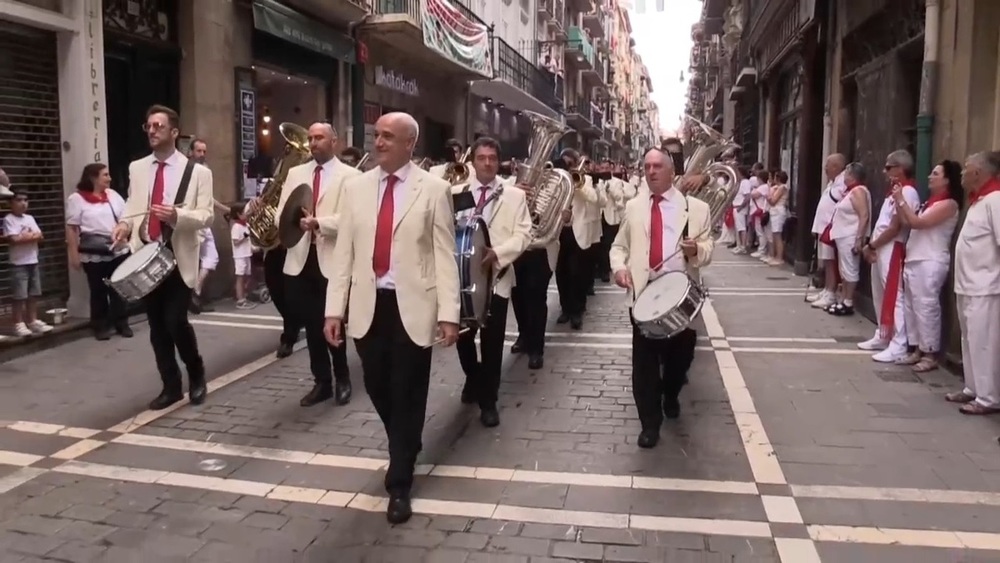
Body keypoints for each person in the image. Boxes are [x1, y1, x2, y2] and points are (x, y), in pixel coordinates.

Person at [323, 112, 460, 524]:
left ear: (408, 145)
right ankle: (407, 440)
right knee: (377, 384)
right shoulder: (356, 188)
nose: (378, 142)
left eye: (387, 136)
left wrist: (450, 314)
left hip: (413, 305)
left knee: (408, 389)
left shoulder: (434, 190)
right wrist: (334, 309)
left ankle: (399, 480)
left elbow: (443, 255)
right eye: (377, 135)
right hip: (368, 305)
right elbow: (344, 252)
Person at [112, 104, 214, 410]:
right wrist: (123, 224)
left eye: (158, 125)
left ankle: (196, 374)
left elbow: (207, 216)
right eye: (149, 126)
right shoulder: (137, 168)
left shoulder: (197, 172)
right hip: (146, 255)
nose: (152, 130)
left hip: (178, 255)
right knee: (157, 326)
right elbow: (133, 204)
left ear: (174, 132)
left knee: (175, 321)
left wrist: (177, 215)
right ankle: (170, 386)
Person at [610, 148, 713, 448]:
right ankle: (649, 424)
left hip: (680, 296)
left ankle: (671, 393)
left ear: (671, 172)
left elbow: (708, 248)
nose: (652, 171)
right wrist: (619, 269)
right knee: (643, 365)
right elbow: (619, 247)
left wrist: (696, 251)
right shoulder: (633, 207)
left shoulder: (696, 209)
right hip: (643, 296)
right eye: (647, 166)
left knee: (679, 359)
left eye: (658, 166)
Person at [274, 122, 361, 407]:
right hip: (300, 258)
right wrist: (291, 222)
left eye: (319, 137)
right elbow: (280, 213)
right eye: (310, 138)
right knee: (312, 325)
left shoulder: (351, 176)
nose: (312, 143)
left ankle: (343, 378)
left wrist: (319, 223)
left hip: (330, 259)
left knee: (331, 320)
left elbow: (353, 219)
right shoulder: (296, 173)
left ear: (333, 141)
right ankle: (321, 382)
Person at [453, 136, 531, 427]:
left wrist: (497, 253)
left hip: (496, 277)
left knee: (492, 343)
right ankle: (473, 378)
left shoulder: (513, 195)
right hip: (460, 278)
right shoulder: (457, 191)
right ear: (472, 161)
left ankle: (489, 401)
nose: (487, 163)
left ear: (499, 162)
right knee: (462, 339)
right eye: (481, 157)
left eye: (492, 158)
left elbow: (524, 234)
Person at [894, 160, 962, 372]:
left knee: (926, 305)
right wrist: (898, 202)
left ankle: (930, 351)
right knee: (911, 306)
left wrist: (902, 202)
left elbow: (918, 223)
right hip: (915, 257)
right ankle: (917, 349)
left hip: (930, 259)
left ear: (947, 180)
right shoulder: (931, 202)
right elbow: (907, 222)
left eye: (935, 174)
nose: (930, 177)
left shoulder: (948, 204)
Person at [947, 151, 1000, 415]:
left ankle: (989, 397)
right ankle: (973, 387)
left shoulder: (995, 200)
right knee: (969, 338)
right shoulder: (976, 202)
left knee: (984, 342)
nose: (962, 173)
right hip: (967, 283)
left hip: (986, 285)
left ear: (978, 173)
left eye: (966, 169)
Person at [857, 150, 921, 362]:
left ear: (900, 168)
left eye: (889, 167)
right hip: (882, 247)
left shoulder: (908, 192)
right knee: (881, 293)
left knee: (894, 295)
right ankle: (883, 334)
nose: (885, 172)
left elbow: (895, 226)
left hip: (892, 247)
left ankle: (899, 343)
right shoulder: (893, 192)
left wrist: (872, 244)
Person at [66, 163, 132, 340]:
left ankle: (121, 322)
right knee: (98, 290)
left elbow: (126, 217)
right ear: (93, 177)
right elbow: (72, 229)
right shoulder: (77, 199)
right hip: (93, 250)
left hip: (116, 248)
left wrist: (122, 230)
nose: (109, 178)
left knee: (119, 288)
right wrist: (73, 254)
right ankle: (100, 325)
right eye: (105, 175)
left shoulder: (112, 195)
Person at [555, 149, 599, 329]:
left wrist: (578, 185)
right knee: (561, 273)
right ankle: (565, 309)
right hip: (559, 231)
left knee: (577, 274)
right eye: (564, 163)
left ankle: (577, 311)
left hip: (578, 232)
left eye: (570, 164)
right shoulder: (556, 179)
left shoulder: (585, 179)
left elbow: (594, 198)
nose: (567, 167)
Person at [3, 190, 53, 337]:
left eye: (26, 200)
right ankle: (18, 323)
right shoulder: (9, 219)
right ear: (11, 203)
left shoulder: (30, 218)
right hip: (18, 263)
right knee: (19, 295)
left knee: (33, 293)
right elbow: (14, 239)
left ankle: (33, 320)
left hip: (33, 260)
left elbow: (40, 235)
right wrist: (30, 236)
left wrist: (26, 236)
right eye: (19, 200)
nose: (23, 203)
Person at [809, 154, 848, 309]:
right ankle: (826, 289)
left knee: (831, 262)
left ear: (837, 167)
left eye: (828, 165)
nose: (825, 168)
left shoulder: (843, 182)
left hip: (831, 229)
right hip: (823, 228)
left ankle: (831, 292)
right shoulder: (832, 183)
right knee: (826, 261)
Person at [230, 204, 255, 310]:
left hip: (247, 253)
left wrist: (253, 248)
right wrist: (244, 237)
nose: (247, 214)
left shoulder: (246, 225)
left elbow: (249, 240)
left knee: (247, 276)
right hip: (239, 255)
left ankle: (244, 296)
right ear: (238, 214)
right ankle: (240, 300)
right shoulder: (236, 227)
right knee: (240, 277)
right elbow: (235, 242)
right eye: (245, 212)